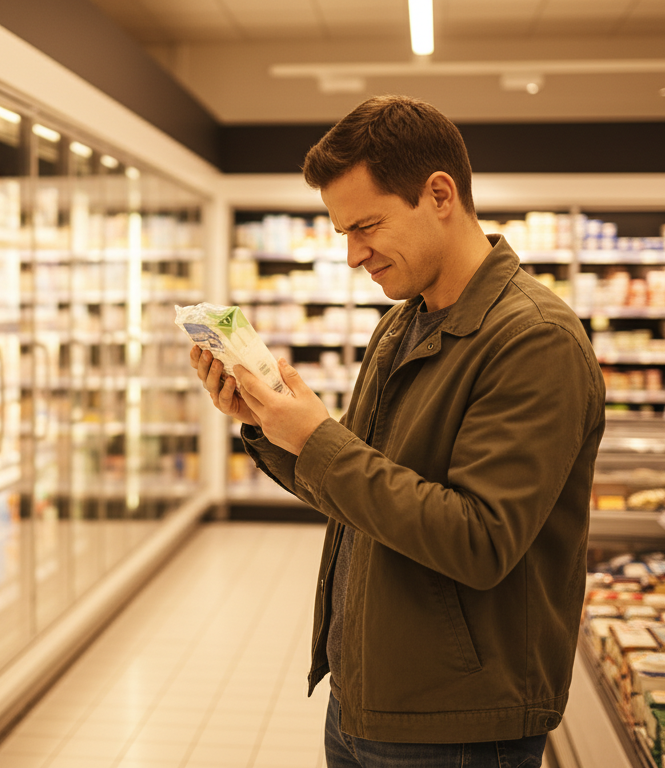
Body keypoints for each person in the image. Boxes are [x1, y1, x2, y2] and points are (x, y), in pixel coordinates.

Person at [190, 95, 604, 767]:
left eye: (367, 226)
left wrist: (320, 438)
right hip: (367, 691)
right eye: (342, 233)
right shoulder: (403, 322)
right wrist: (268, 426)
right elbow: (365, 494)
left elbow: (480, 539)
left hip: (459, 723)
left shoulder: (533, 340)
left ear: (439, 194)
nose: (353, 255)